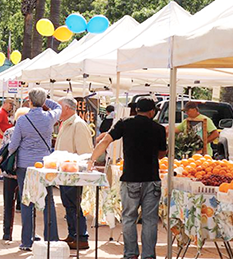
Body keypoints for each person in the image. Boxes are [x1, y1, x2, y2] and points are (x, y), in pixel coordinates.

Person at [89, 98, 166, 259]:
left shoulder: (124, 123)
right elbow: (161, 154)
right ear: (152, 112)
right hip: (151, 178)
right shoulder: (158, 128)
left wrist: (92, 159)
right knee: (150, 220)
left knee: (129, 217)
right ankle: (148, 255)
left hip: (130, 177)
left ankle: (131, 253)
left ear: (137, 110)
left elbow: (106, 141)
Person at [9, 88, 62, 251]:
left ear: (29, 102)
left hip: (25, 165)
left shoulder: (23, 120)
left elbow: (13, 145)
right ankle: (51, 238)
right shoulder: (49, 117)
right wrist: (45, 100)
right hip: (44, 165)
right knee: (48, 201)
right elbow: (58, 107)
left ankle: (27, 240)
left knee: (27, 201)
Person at [56, 97, 94, 250]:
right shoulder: (66, 124)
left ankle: (81, 237)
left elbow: (85, 153)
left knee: (73, 205)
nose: (57, 110)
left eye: (59, 107)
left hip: (73, 173)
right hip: (65, 173)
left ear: (67, 108)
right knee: (69, 205)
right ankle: (73, 235)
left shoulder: (78, 125)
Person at [1, 107, 30, 242]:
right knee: (28, 204)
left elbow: (4, 151)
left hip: (10, 173)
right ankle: (29, 233)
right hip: (26, 173)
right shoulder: (31, 133)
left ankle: (7, 233)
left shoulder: (9, 132)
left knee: (8, 204)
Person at [0, 99, 15, 178]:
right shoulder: (1, 112)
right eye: (10, 104)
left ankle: (0, 172)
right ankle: (1, 174)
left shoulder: (5, 113)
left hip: (4, 137)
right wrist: (2, 133)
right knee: (2, 155)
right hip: (1, 138)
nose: (11, 106)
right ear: (5, 103)